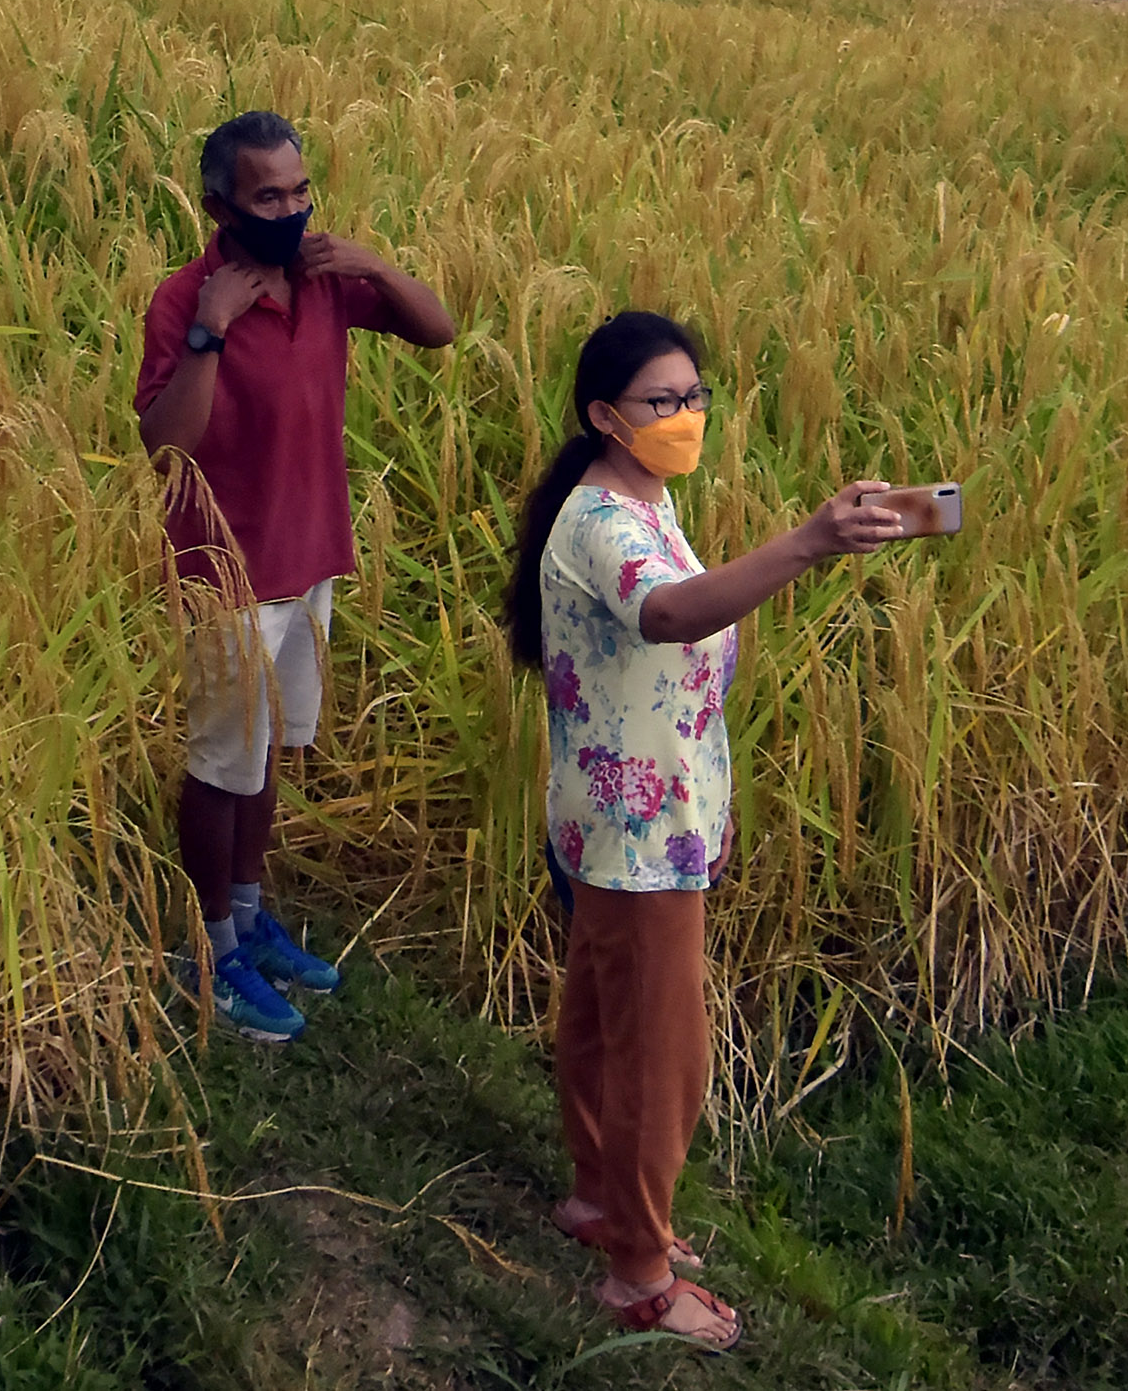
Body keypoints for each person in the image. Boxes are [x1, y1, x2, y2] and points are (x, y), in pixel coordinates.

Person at [505, 311, 906, 1351]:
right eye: (660, 401)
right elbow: (671, 615)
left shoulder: (643, 497)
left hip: (634, 816)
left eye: (693, 398)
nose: (684, 416)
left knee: (603, 1015)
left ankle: (600, 1199)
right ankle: (636, 1273)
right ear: (603, 415)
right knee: (661, 1055)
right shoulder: (602, 521)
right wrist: (809, 543)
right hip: (636, 830)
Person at [135, 109, 455, 1046]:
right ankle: (211, 945)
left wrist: (372, 264)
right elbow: (166, 446)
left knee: (268, 751)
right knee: (220, 763)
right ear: (218, 205)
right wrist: (210, 332)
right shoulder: (186, 298)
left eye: (301, 189)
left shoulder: (323, 283)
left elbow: (437, 330)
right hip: (226, 571)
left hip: (310, 555)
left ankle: (249, 911)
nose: (291, 208)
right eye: (267, 194)